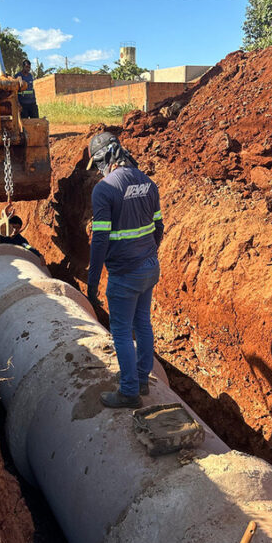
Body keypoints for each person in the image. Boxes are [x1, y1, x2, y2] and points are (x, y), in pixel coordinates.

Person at [86, 132, 163, 409]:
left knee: (120, 330)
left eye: (97, 163)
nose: (98, 170)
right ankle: (142, 378)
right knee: (142, 323)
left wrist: (92, 282)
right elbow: (159, 227)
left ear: (106, 158)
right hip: (149, 268)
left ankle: (129, 391)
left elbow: (100, 240)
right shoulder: (148, 183)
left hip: (125, 275)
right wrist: (148, 254)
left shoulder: (105, 189)